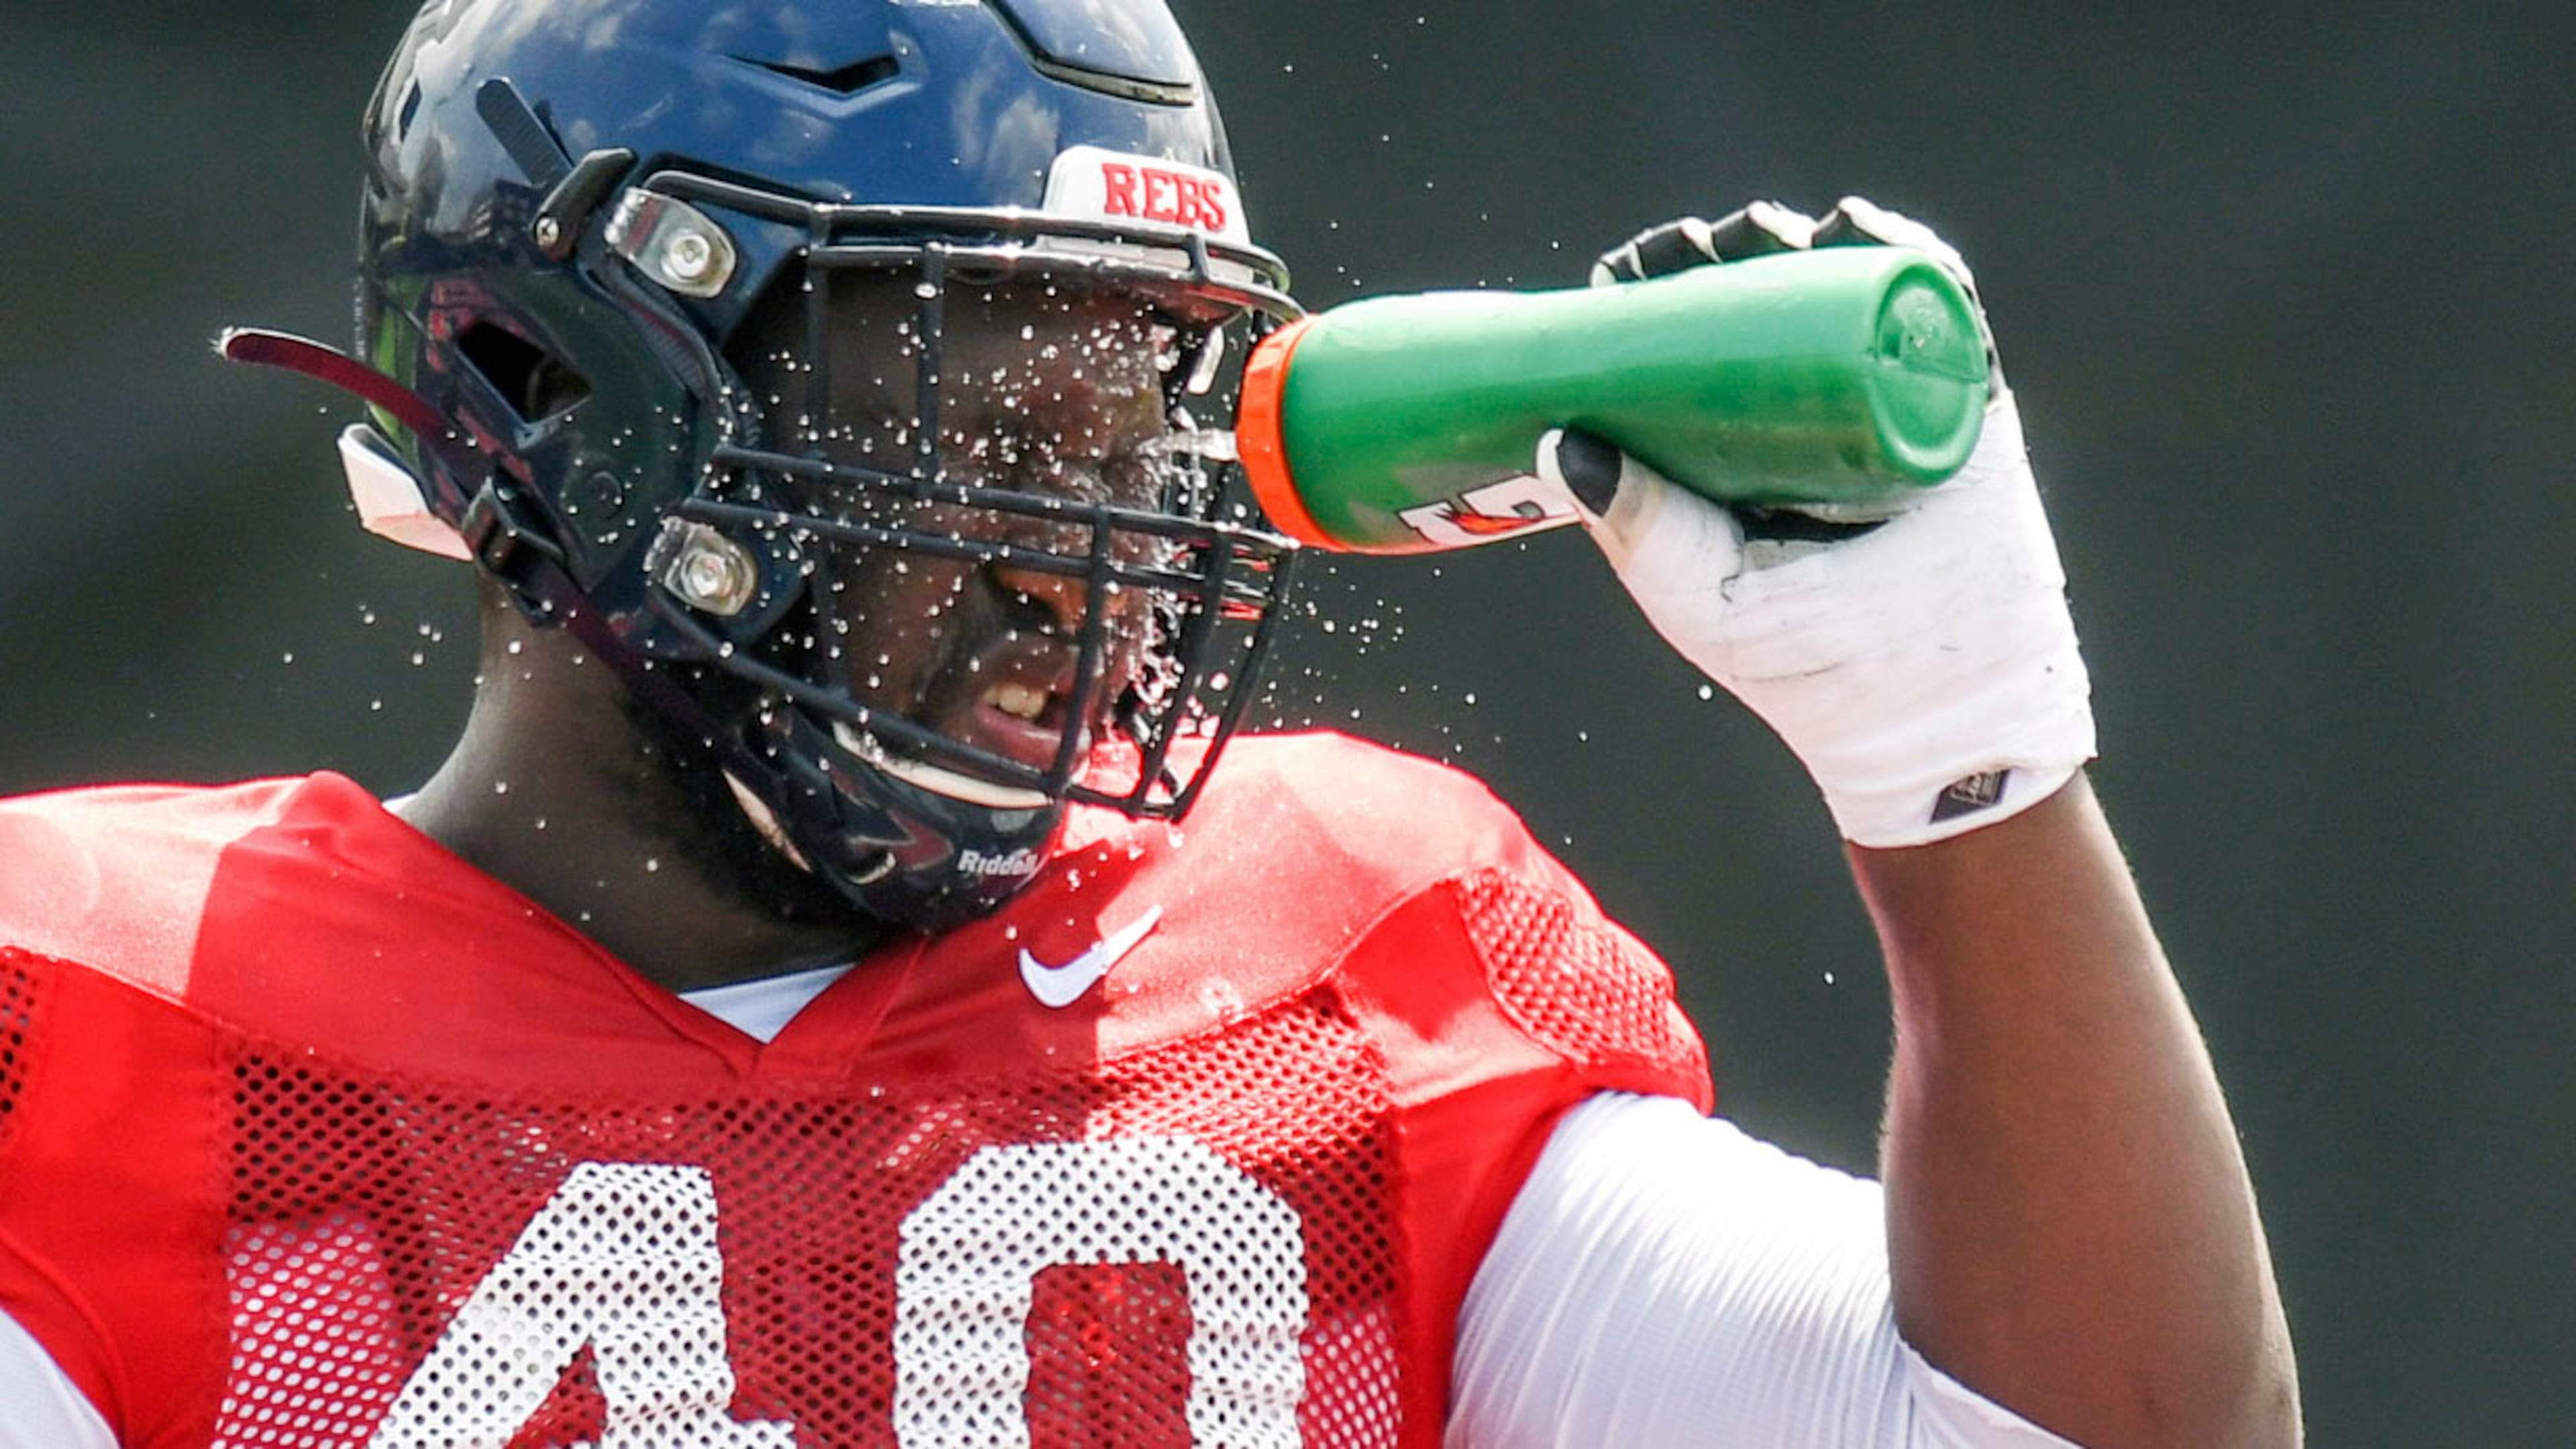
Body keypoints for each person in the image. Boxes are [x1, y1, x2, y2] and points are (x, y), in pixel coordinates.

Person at [0, 0, 2300, 1444]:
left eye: (1127, 436)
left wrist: (1959, 760)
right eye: (979, 424)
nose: (1077, 559)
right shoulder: (91, 1031)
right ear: (546, 407)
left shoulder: (1330, 977)